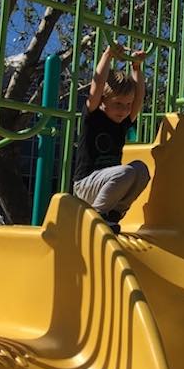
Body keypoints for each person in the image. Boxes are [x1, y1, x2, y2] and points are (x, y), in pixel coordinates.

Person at [72, 42, 150, 232]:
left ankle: (114, 214)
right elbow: (97, 85)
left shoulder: (122, 122)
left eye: (127, 105)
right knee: (125, 172)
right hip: (86, 184)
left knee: (141, 170)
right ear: (102, 102)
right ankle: (96, 217)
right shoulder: (93, 117)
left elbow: (139, 98)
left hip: (108, 185)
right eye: (118, 104)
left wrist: (136, 68)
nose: (124, 110)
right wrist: (107, 55)